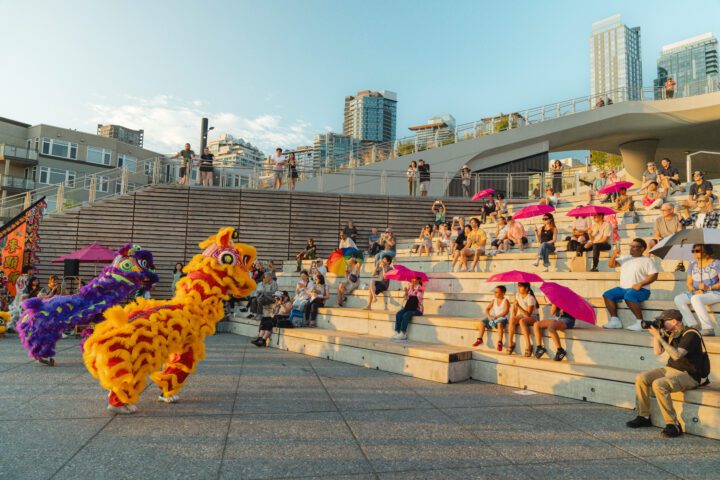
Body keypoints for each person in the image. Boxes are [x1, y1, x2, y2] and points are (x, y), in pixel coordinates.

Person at [626, 309, 707, 438]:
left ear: (674, 321)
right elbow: (657, 352)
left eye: (664, 321)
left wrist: (659, 337)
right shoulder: (670, 333)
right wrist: (656, 336)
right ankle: (644, 416)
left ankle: (672, 424)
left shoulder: (691, 334)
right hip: (671, 369)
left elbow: (677, 355)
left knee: (659, 384)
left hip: (690, 375)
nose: (661, 323)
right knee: (641, 378)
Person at [603, 239, 659, 331]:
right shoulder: (626, 257)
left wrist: (640, 284)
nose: (632, 248)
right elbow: (611, 265)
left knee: (629, 295)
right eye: (631, 246)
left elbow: (654, 276)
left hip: (641, 290)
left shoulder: (647, 260)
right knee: (608, 294)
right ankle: (615, 320)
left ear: (642, 249)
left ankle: (640, 323)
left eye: (634, 247)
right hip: (623, 288)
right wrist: (614, 255)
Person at [674, 244, 719, 336]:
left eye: (697, 251)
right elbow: (689, 283)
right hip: (698, 293)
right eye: (693, 251)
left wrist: (709, 288)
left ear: (706, 252)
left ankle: (708, 328)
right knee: (678, 299)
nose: (694, 253)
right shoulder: (692, 264)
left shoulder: (717, 263)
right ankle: (693, 325)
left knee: (696, 299)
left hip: (715, 292)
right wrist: (695, 291)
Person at [648, 203, 684, 271]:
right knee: (650, 242)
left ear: (671, 210)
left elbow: (680, 233)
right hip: (662, 241)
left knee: (680, 240)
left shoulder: (678, 218)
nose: (662, 212)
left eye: (664, 210)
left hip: (674, 239)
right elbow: (656, 235)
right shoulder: (658, 220)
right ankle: (646, 263)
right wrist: (659, 239)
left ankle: (680, 265)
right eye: (661, 210)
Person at [472, 285, 510, 350]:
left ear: (503, 293)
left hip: (502, 318)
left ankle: (500, 342)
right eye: (494, 292)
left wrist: (497, 317)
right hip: (493, 317)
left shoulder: (505, 301)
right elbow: (487, 309)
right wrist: (489, 316)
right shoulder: (493, 300)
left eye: (497, 292)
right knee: (482, 322)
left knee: (499, 324)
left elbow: (506, 311)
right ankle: (480, 339)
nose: (494, 293)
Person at [507, 282, 539, 356]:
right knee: (511, 320)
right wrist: (513, 317)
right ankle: (510, 343)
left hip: (533, 317)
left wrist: (518, 306)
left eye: (520, 286)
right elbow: (514, 308)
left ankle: (528, 345)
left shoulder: (530, 298)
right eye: (518, 286)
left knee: (522, 321)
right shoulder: (518, 295)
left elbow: (528, 314)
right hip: (521, 315)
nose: (518, 288)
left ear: (526, 288)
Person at [392, 276, 425, 341]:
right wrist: (406, 292)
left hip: (417, 309)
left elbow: (419, 298)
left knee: (406, 315)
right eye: (412, 278)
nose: (413, 280)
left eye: (415, 278)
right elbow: (406, 298)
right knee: (398, 314)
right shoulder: (410, 287)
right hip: (409, 307)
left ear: (418, 280)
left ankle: (403, 333)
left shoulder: (420, 288)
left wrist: (411, 294)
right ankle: (397, 331)